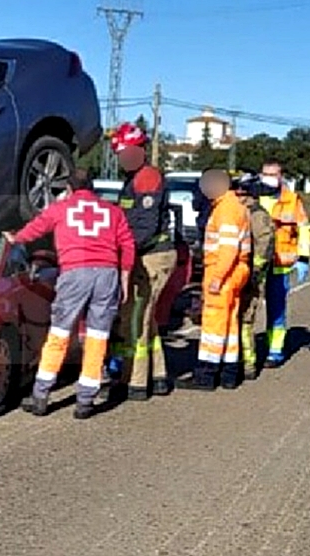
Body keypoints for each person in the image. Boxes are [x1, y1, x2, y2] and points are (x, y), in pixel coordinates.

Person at [2, 166, 135, 420]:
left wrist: (15, 238)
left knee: (59, 333)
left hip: (75, 273)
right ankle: (85, 401)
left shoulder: (61, 208)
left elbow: (36, 228)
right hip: (107, 274)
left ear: (69, 188)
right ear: (93, 187)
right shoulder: (112, 211)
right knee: (97, 337)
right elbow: (126, 245)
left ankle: (41, 396)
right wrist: (124, 278)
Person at [107, 123, 177, 401]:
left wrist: (122, 255)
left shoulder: (146, 178)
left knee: (136, 319)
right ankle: (158, 375)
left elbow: (144, 227)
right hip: (148, 254)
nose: (122, 158)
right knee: (147, 319)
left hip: (152, 255)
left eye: (126, 152)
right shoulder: (134, 178)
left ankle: (134, 382)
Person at [183, 169, 251, 390]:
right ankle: (229, 373)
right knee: (229, 324)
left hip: (223, 272)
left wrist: (217, 278)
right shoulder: (233, 206)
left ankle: (206, 374)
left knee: (213, 324)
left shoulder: (226, 210)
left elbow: (228, 249)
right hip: (235, 271)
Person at [258, 159, 310, 368]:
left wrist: (303, 257)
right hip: (255, 263)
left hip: (281, 263)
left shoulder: (292, 200)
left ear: (281, 176)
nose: (269, 178)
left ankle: (275, 350)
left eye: (274, 174)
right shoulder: (254, 196)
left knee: (276, 310)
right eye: (266, 174)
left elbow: (304, 229)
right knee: (247, 309)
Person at [234, 173, 275, 381]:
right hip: (233, 275)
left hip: (249, 277)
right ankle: (234, 360)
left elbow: (264, 247)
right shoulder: (237, 212)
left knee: (245, 320)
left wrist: (255, 274)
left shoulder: (258, 215)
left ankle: (248, 364)